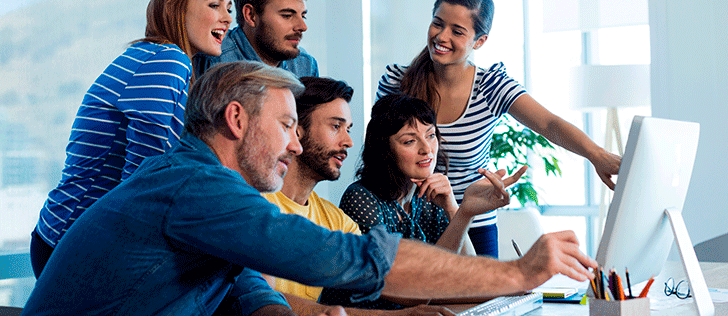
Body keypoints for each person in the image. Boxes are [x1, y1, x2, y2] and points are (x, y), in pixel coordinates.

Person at [22, 62, 597, 316]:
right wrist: (520, 276)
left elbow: (248, 295)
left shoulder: (195, 188)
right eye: (287, 126)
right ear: (236, 122)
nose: (296, 146)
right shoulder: (195, 187)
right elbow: (348, 260)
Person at [377, 0, 622, 257]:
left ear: (479, 41)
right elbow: (379, 152)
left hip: (473, 225)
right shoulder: (398, 82)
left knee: (484, 301)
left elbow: (547, 123)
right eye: (438, 23)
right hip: (409, 224)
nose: (442, 36)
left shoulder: (490, 85)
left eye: (457, 31)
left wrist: (596, 155)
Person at [29, 0, 233, 278]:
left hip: (68, 235)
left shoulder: (153, 56)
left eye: (229, 8)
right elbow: (146, 182)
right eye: (214, 5)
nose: (226, 18)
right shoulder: (168, 60)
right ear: (176, 7)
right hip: (77, 244)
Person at [262, 77, 454, 315]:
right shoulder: (254, 204)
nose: (349, 142)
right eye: (336, 127)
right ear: (296, 131)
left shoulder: (337, 221)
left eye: (349, 129)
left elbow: (395, 284)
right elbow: (261, 299)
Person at [338, 93, 527, 256]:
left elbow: (465, 271)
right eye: (410, 141)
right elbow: (408, 287)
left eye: (430, 135)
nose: (427, 149)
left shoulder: (429, 196)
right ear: (383, 149)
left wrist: (457, 209)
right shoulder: (360, 198)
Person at [193, 0, 318, 78]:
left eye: (303, 16)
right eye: (287, 15)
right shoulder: (212, 61)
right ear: (251, 15)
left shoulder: (306, 65)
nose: (303, 26)